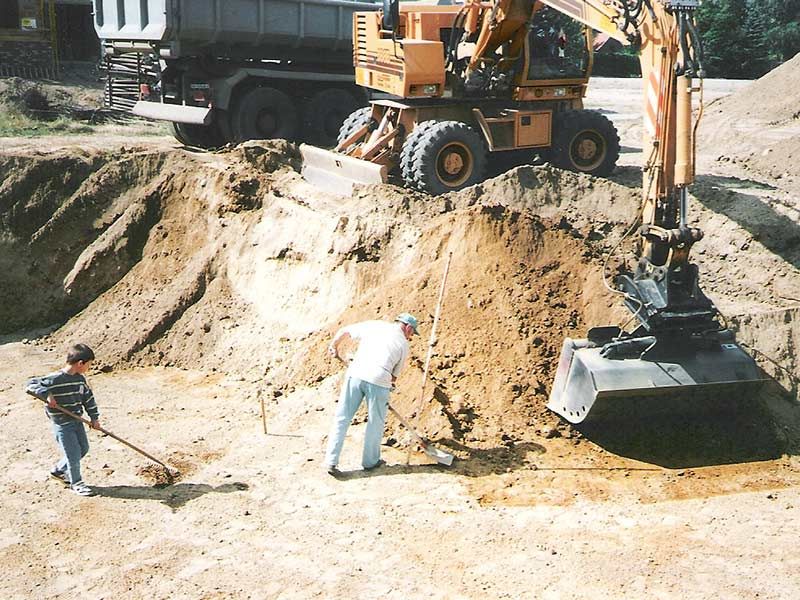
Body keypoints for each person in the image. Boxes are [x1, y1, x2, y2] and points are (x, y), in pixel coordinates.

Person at [324, 313, 419, 476]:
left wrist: (334, 345)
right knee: (376, 422)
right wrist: (387, 388)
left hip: (356, 373)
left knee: (342, 417)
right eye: (412, 333)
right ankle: (370, 462)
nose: (410, 337)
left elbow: (345, 330)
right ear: (408, 328)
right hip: (379, 380)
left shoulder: (375, 325)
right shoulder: (403, 344)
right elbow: (394, 376)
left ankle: (330, 462)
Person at [26, 343, 101, 497]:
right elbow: (30, 384)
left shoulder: (80, 380)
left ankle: (58, 470)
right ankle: (77, 483)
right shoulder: (55, 378)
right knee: (73, 455)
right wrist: (47, 395)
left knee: (83, 449)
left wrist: (94, 418)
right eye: (89, 364)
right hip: (62, 424)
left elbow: (88, 399)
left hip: (77, 421)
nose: (89, 367)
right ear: (80, 363)